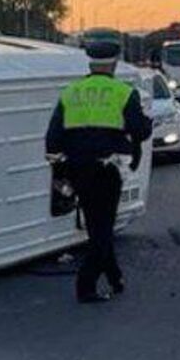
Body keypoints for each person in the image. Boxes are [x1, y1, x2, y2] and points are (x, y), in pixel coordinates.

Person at [45, 41, 152, 303]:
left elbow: (53, 137)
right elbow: (141, 131)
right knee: (103, 227)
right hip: (107, 167)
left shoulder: (71, 92)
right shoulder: (123, 92)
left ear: (90, 62)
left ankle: (114, 276)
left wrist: (60, 168)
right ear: (114, 62)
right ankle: (86, 283)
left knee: (96, 225)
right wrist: (145, 122)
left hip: (77, 168)